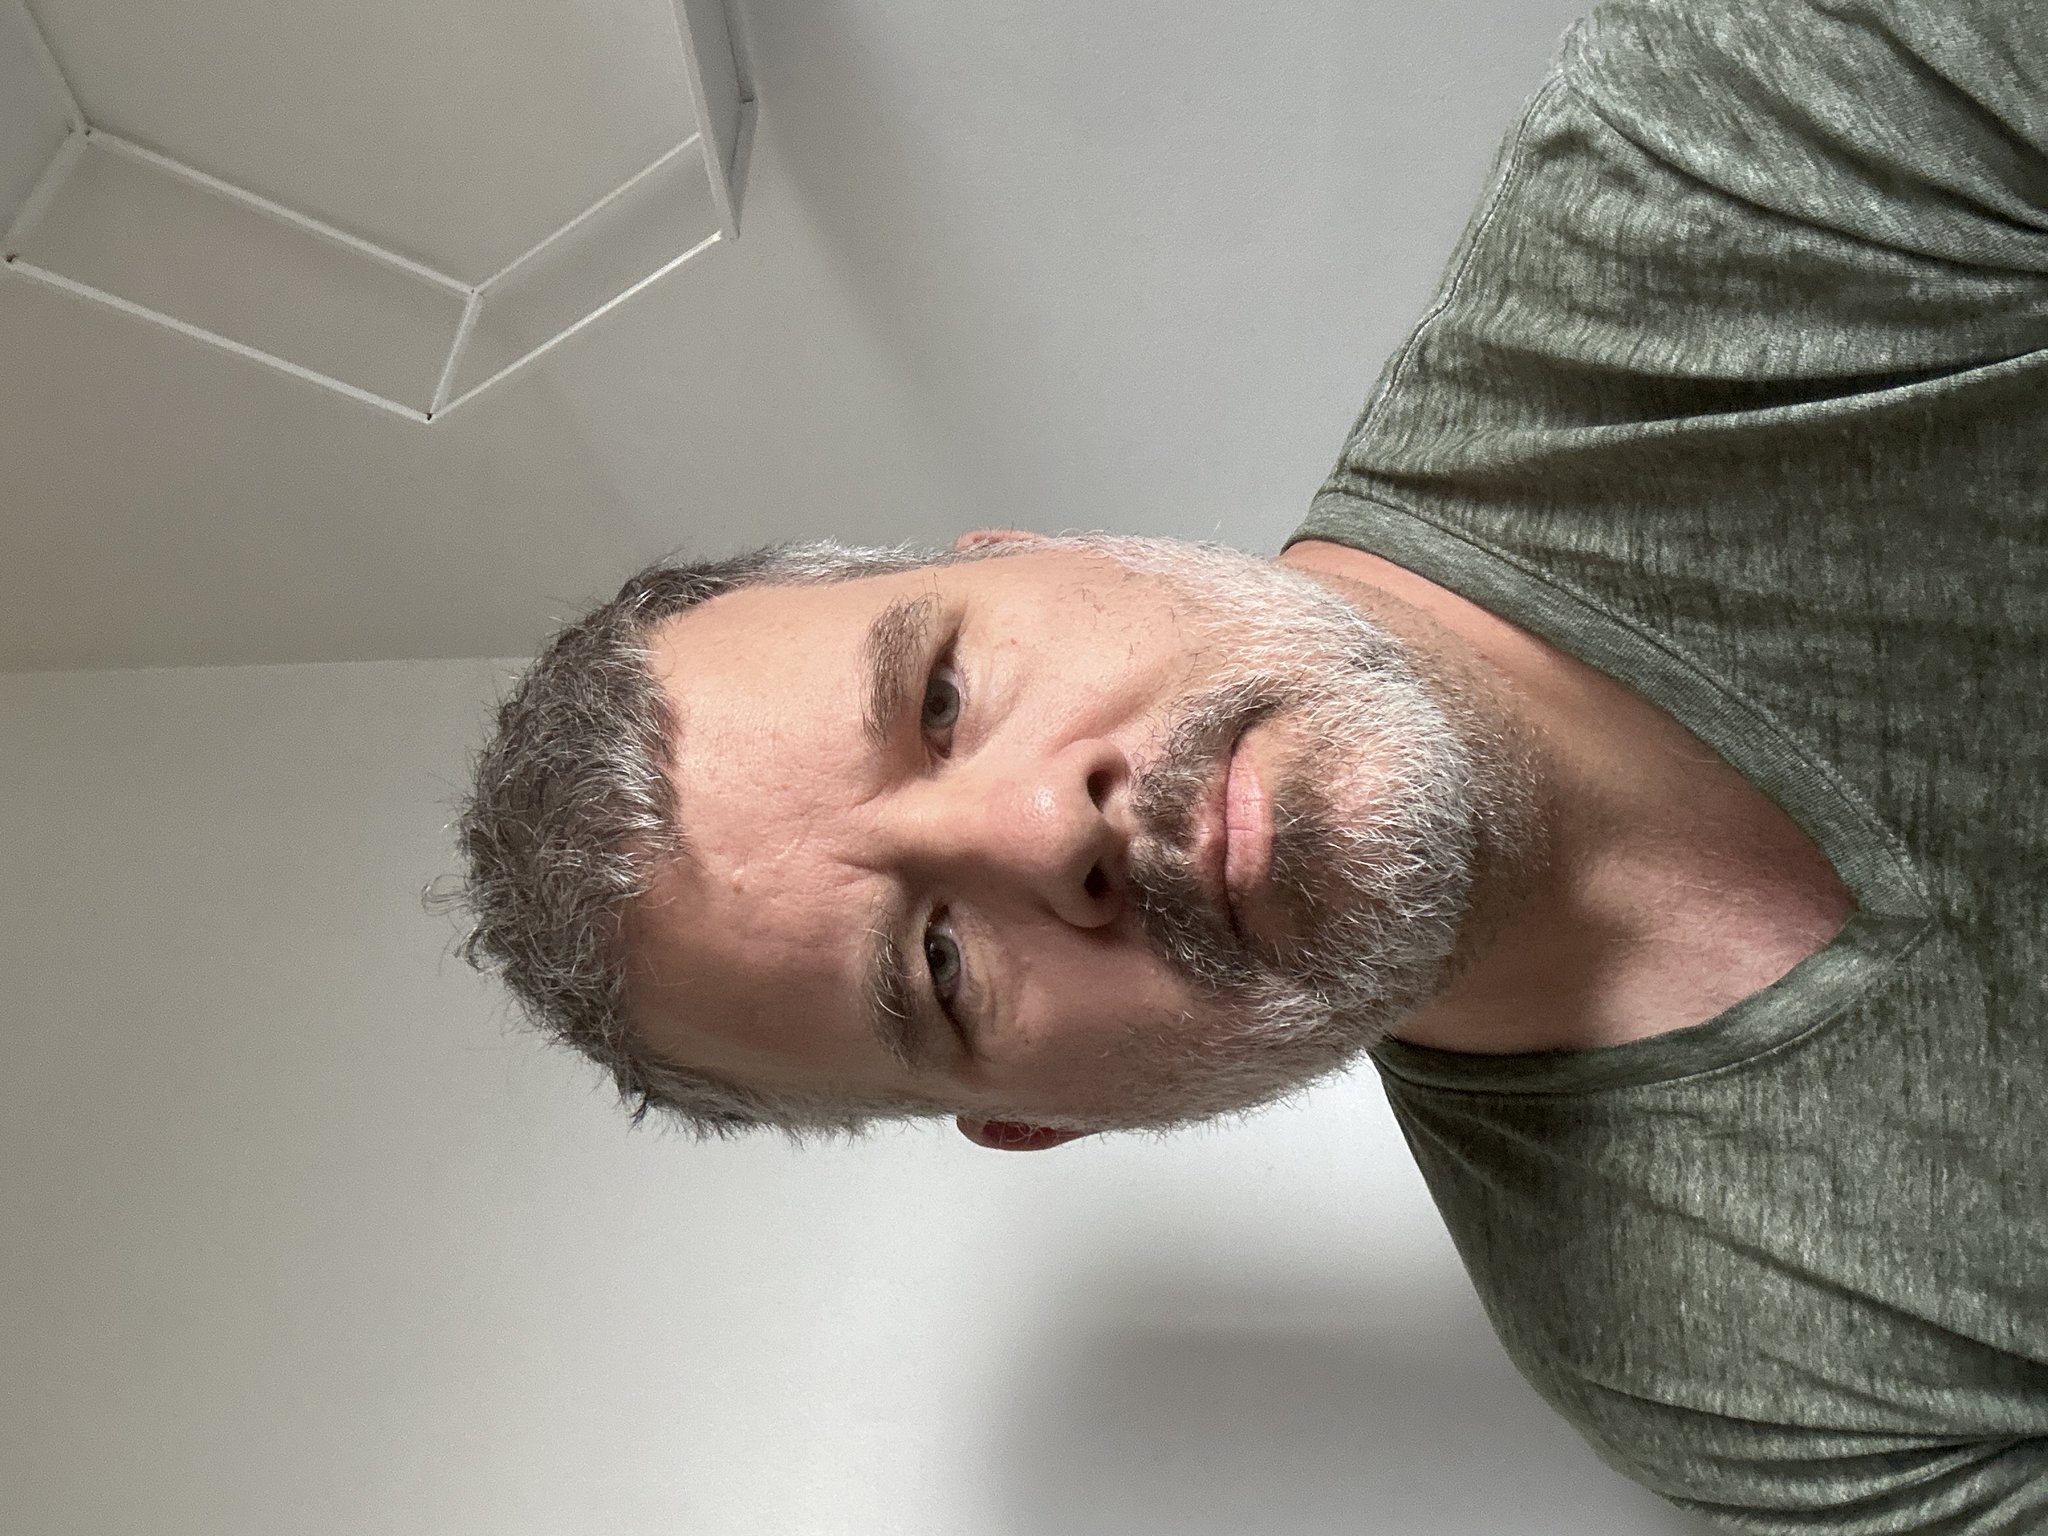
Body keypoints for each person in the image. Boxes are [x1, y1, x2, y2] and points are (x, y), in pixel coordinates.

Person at [451, 0, 2047, 1527]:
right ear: (1042, 1120)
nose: (1040, 829)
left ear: (1037, 549)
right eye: (936, 966)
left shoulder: (1726, 153)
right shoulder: (1736, 1381)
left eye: (941, 696)